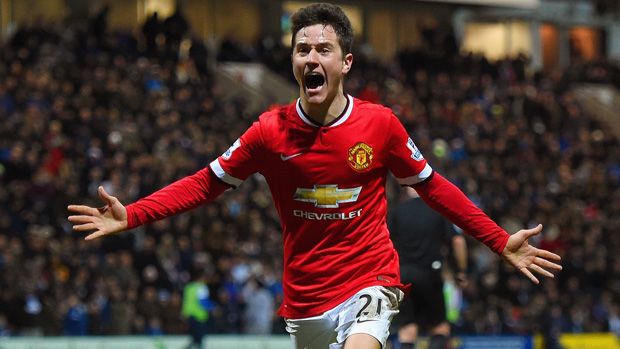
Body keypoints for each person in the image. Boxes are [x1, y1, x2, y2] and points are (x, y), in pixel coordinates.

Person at [67, 3, 562, 349]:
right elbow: (205, 183)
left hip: (372, 279)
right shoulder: (268, 132)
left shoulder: (379, 125)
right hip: (305, 297)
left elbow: (434, 188)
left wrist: (498, 241)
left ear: (344, 62)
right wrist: (132, 214)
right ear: (293, 61)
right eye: (303, 48)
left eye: (323, 49)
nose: (311, 57)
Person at [388, 187, 468, 349]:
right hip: (430, 274)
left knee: (407, 328)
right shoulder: (437, 211)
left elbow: (386, 243)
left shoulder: (396, 212)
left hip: (403, 276)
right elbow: (458, 241)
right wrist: (461, 271)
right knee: (439, 326)